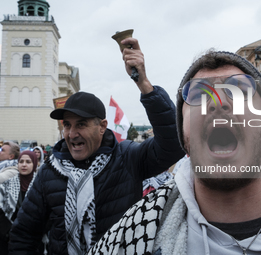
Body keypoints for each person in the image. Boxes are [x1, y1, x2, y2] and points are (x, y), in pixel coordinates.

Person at [88, 50, 261, 254]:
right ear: (184, 138)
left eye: (240, 90)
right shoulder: (127, 238)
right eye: (199, 93)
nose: (219, 102)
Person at [9, 38, 184, 254]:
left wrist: (144, 83)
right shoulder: (49, 172)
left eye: (81, 124)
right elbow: (24, 234)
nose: (72, 134)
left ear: (102, 126)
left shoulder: (127, 158)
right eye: (67, 125)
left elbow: (174, 144)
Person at [0, 151, 38, 253]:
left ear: (34, 164)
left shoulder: (40, 187)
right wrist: (9, 230)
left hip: (32, 238)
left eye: (28, 162)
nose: (24, 165)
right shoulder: (6, 185)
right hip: (8, 237)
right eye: (21, 161)